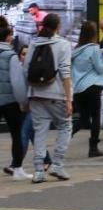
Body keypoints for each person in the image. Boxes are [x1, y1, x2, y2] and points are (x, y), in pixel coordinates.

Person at [23, 13, 73, 182]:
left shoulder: (33, 43)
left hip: (35, 94)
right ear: (58, 26)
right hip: (56, 94)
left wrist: (27, 94)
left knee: (40, 132)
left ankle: (38, 170)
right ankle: (57, 165)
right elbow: (65, 73)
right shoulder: (63, 44)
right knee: (65, 126)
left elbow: (26, 70)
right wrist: (68, 99)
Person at [70, 20, 103, 157]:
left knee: (83, 119)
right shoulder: (94, 48)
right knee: (95, 117)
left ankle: (65, 137)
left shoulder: (76, 50)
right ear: (93, 34)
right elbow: (100, 69)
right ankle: (93, 147)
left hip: (78, 89)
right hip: (93, 87)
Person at [0, 19, 29, 180]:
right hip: (10, 102)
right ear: (8, 38)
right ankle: (17, 169)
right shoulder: (11, 56)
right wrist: (23, 102)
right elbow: (17, 82)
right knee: (16, 134)